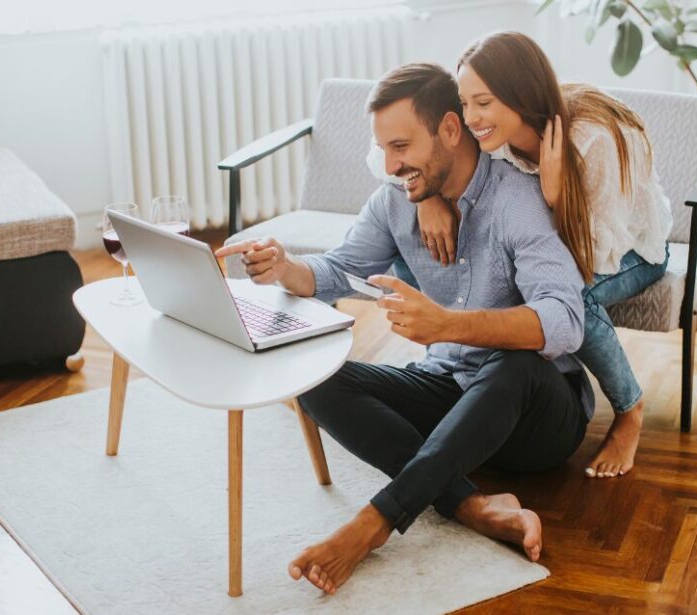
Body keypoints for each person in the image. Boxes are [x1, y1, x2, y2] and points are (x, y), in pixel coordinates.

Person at [215, 62, 594, 595]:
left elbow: (565, 320)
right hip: (452, 391)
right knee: (314, 377)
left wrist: (450, 324)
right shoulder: (398, 200)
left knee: (515, 364)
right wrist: (286, 269)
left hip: (537, 417)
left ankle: (371, 527)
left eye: (400, 147)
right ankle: (470, 504)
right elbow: (340, 268)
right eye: (385, 150)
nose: (390, 165)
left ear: (449, 129)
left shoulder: (516, 200)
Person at [383, 31, 673, 479]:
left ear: (519, 92)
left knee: (574, 299)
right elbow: (391, 153)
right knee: (412, 249)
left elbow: (588, 258)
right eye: (465, 102)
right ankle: (455, 368)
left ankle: (629, 410)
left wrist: (557, 198)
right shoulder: (489, 136)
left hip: (628, 248)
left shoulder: (594, 139)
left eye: (484, 102)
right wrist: (428, 198)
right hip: (563, 248)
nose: (471, 118)